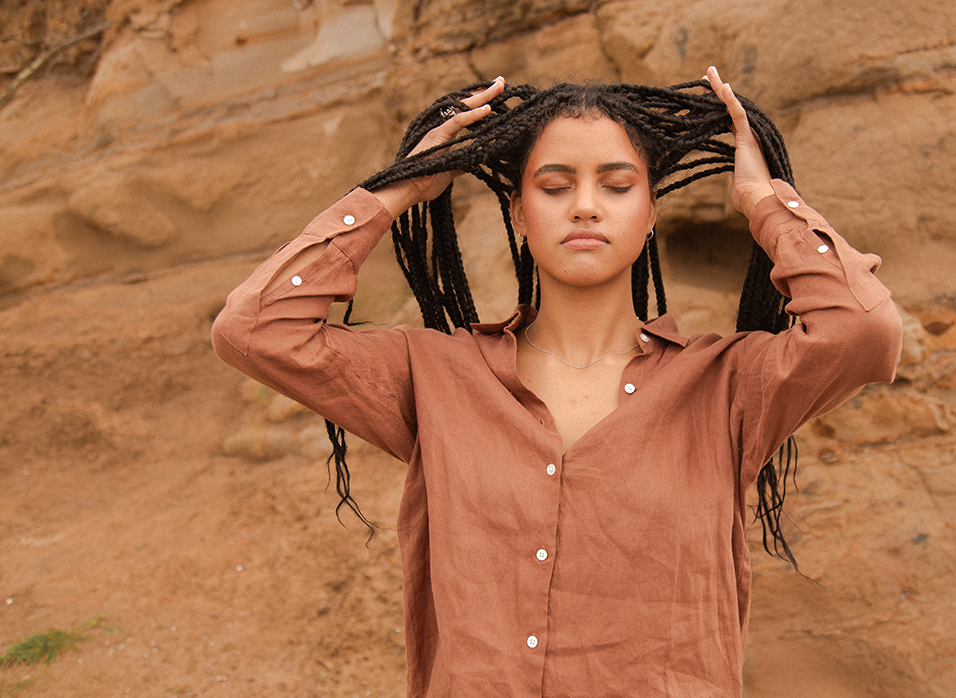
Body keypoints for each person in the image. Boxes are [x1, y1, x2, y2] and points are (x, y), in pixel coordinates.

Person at [211, 66, 903, 697]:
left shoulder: (725, 386)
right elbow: (255, 330)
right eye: (554, 186)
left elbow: (862, 332)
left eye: (616, 184)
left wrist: (763, 201)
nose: (584, 206)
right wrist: (397, 188)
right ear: (518, 212)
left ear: (651, 209)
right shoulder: (436, 375)